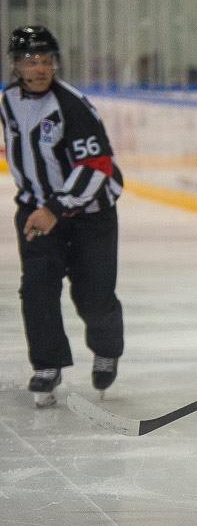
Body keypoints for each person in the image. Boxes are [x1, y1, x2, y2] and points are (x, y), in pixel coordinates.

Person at [1, 26, 125, 406]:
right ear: (16, 66)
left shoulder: (73, 105)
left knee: (93, 297)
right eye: (30, 61)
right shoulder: (8, 101)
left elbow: (97, 165)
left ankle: (106, 349)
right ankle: (47, 365)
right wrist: (43, 207)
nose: (39, 68)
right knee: (37, 288)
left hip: (90, 214)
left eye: (46, 60)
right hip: (37, 210)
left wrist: (55, 208)